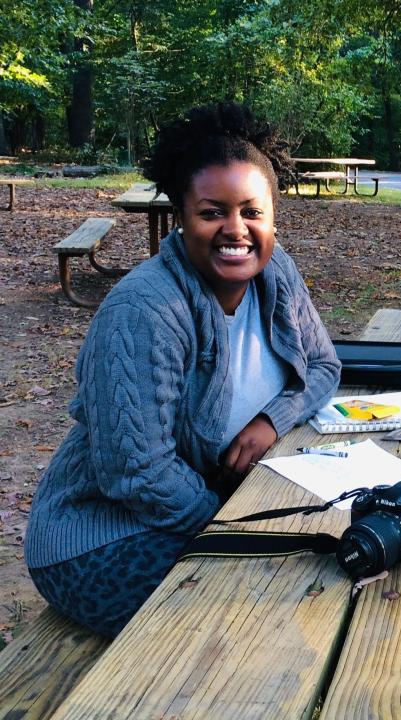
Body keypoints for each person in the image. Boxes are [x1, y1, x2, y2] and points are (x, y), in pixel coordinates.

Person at [24, 102, 341, 638]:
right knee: (277, 616)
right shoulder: (145, 312)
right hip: (103, 539)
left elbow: (323, 365)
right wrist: (229, 521)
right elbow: (137, 473)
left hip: (201, 507)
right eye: (213, 211)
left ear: (272, 215)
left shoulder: (275, 273)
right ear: (181, 216)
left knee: (337, 560)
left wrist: (270, 420)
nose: (235, 229)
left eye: (252, 211)